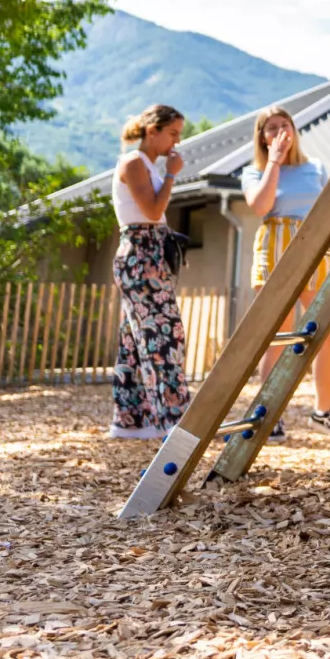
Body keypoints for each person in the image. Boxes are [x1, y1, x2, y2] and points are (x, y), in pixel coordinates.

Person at [242, 106, 330, 438]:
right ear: (262, 137)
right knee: (279, 331)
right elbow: (260, 207)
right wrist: (274, 161)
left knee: (328, 330)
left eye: (284, 125)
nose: (279, 132)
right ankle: (269, 414)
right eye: (270, 128)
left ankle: (323, 410)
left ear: (294, 129)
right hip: (276, 245)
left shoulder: (315, 168)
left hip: (314, 246)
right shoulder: (253, 172)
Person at [108, 104, 190, 439]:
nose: (175, 141)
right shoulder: (132, 162)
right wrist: (172, 173)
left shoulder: (147, 166)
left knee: (133, 340)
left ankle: (130, 422)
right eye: (172, 133)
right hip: (140, 255)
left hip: (150, 253)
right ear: (151, 131)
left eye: (179, 134)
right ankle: (173, 420)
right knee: (165, 334)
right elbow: (153, 208)